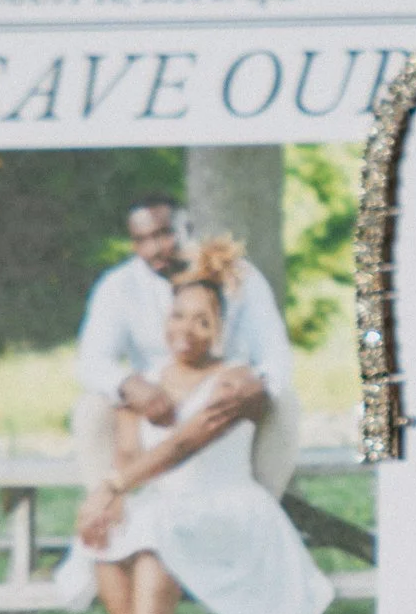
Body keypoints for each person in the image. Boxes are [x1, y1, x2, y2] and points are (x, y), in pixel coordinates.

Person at [55, 244, 334, 614]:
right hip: (166, 505)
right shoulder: (141, 386)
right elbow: (126, 455)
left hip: (226, 506)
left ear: (221, 331)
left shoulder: (235, 383)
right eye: (178, 316)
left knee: (157, 533)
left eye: (202, 321)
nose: (186, 329)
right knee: (110, 537)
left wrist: (116, 486)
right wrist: (108, 500)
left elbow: (185, 443)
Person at [73, 191, 297, 499]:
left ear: (188, 228)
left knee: (284, 400)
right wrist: (128, 384)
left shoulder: (240, 276)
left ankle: (262, 508)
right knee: (91, 408)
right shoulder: (118, 287)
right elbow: (91, 361)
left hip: (225, 408)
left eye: (164, 234)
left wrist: (256, 386)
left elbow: (276, 355)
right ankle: (109, 513)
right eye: (142, 240)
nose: (155, 248)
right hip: (157, 407)